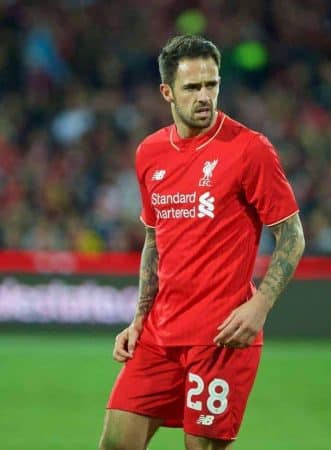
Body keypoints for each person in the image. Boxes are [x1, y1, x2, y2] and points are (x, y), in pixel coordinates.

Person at [98, 35, 305, 450]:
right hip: (159, 335)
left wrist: (259, 307)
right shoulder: (150, 153)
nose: (205, 96)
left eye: (212, 84)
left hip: (221, 337)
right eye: (193, 87)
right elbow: (154, 241)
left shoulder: (250, 150)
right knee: (116, 444)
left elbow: (292, 237)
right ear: (167, 92)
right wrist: (140, 318)